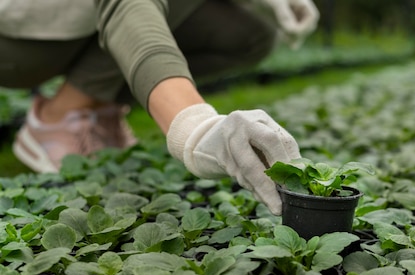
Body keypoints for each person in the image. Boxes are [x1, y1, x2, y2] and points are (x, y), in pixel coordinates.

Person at [0, 0, 319, 215]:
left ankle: (94, 106)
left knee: (251, 34)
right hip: (17, 37)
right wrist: (194, 127)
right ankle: (56, 118)